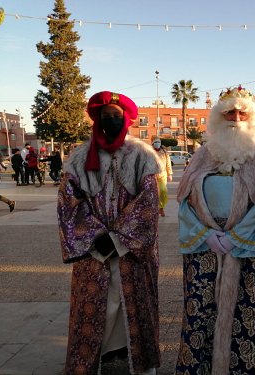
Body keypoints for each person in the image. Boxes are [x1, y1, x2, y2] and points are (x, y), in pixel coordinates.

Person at [175, 86, 255, 374]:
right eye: (229, 111)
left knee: (250, 311)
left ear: (253, 117)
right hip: (206, 248)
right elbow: (184, 200)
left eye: (243, 112)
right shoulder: (205, 153)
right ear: (219, 116)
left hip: (251, 254)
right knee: (201, 312)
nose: (236, 117)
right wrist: (207, 235)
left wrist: (237, 236)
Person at [58, 91, 162, 374]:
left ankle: (141, 364)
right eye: (106, 117)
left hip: (131, 252)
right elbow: (68, 203)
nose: (112, 121)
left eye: (117, 116)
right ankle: (90, 362)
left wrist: (119, 239)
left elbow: (149, 202)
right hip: (94, 252)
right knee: (94, 308)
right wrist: (94, 237)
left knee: (135, 306)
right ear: (97, 120)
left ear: (127, 119)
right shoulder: (80, 156)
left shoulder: (141, 155)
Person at [151, 136, 173, 217]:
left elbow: (168, 163)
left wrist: (169, 174)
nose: (157, 144)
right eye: (155, 142)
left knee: (163, 191)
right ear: (152, 143)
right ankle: (154, 210)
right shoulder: (149, 152)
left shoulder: (164, 151)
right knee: (153, 193)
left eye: (158, 142)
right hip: (152, 175)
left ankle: (161, 208)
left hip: (162, 175)